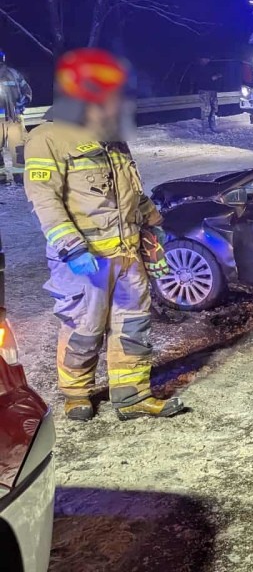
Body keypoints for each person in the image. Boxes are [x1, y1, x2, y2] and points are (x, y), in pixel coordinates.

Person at [24, 49, 186, 421]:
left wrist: (155, 224)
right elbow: (43, 199)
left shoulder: (113, 139)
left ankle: (132, 396)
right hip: (86, 258)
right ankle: (76, 392)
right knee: (84, 327)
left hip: (128, 254)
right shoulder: (48, 138)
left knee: (133, 327)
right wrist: (70, 247)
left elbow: (132, 191)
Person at [0, 50, 31, 183]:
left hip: (14, 118)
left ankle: (20, 177)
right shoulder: (13, 73)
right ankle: (1, 178)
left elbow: (27, 92)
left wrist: (20, 105)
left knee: (18, 148)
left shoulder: (13, 74)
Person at [193, 57, 223, 132]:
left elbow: (220, 74)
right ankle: (205, 127)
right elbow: (198, 79)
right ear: (201, 59)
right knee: (206, 109)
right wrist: (211, 78)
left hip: (212, 90)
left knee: (214, 108)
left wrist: (217, 76)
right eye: (205, 59)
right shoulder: (198, 67)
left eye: (208, 59)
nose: (207, 60)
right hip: (204, 90)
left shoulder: (212, 66)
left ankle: (212, 126)